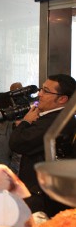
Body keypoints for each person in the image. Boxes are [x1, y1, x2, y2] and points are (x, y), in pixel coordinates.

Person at [9, 74, 76, 217]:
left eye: (46, 91)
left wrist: (25, 122)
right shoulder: (53, 117)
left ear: (62, 99)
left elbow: (17, 143)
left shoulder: (55, 121)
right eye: (41, 89)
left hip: (41, 196)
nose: (40, 94)